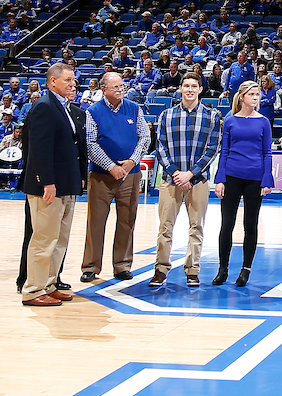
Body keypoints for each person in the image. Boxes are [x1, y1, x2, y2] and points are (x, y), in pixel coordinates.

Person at [149, 72, 222, 288]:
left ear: (200, 89)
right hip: (171, 180)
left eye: (194, 86)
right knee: (165, 226)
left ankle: (193, 270)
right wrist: (175, 173)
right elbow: (159, 147)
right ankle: (161, 269)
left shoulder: (212, 116)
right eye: (186, 86)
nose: (190, 89)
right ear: (180, 88)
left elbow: (212, 149)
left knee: (196, 226)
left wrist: (190, 174)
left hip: (197, 180)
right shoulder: (166, 115)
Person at [19, 63, 84, 306]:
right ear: (52, 81)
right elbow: (39, 150)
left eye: (73, 80)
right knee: (44, 239)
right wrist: (47, 182)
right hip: (49, 186)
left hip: (66, 185)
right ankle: (33, 290)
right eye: (67, 80)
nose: (72, 84)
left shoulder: (65, 108)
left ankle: (49, 283)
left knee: (59, 240)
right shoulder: (44, 107)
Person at [81, 72, 151, 283]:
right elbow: (91, 144)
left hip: (131, 174)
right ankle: (91, 266)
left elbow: (144, 137)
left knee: (127, 221)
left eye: (122, 86)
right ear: (104, 90)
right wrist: (111, 166)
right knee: (96, 222)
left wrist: (131, 162)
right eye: (115, 87)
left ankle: (122, 265)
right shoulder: (93, 111)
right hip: (102, 176)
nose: (120, 90)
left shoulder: (134, 108)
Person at [213, 80, 274, 287]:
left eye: (258, 94)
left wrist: (267, 178)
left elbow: (267, 152)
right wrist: (220, 179)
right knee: (227, 224)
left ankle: (246, 269)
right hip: (232, 176)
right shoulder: (230, 120)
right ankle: (223, 268)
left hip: (255, 178)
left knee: (251, 224)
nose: (256, 98)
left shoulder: (264, 121)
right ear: (242, 97)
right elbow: (224, 151)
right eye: (252, 94)